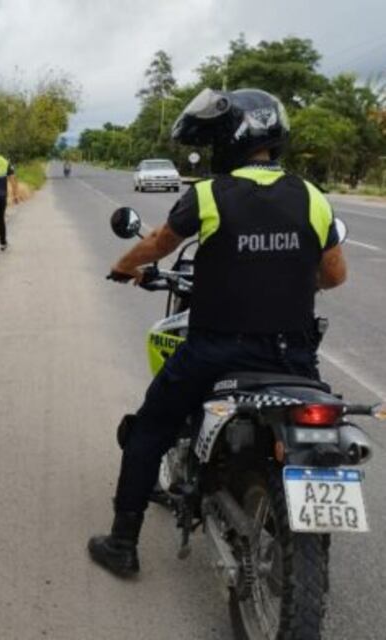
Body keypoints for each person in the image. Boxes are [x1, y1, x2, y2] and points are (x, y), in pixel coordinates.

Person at [88, 88, 348, 577]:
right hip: (292, 357)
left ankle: (123, 544)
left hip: (216, 350)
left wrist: (123, 265)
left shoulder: (208, 194)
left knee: (148, 430)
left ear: (230, 139)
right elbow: (334, 274)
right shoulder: (311, 195)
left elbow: (158, 244)